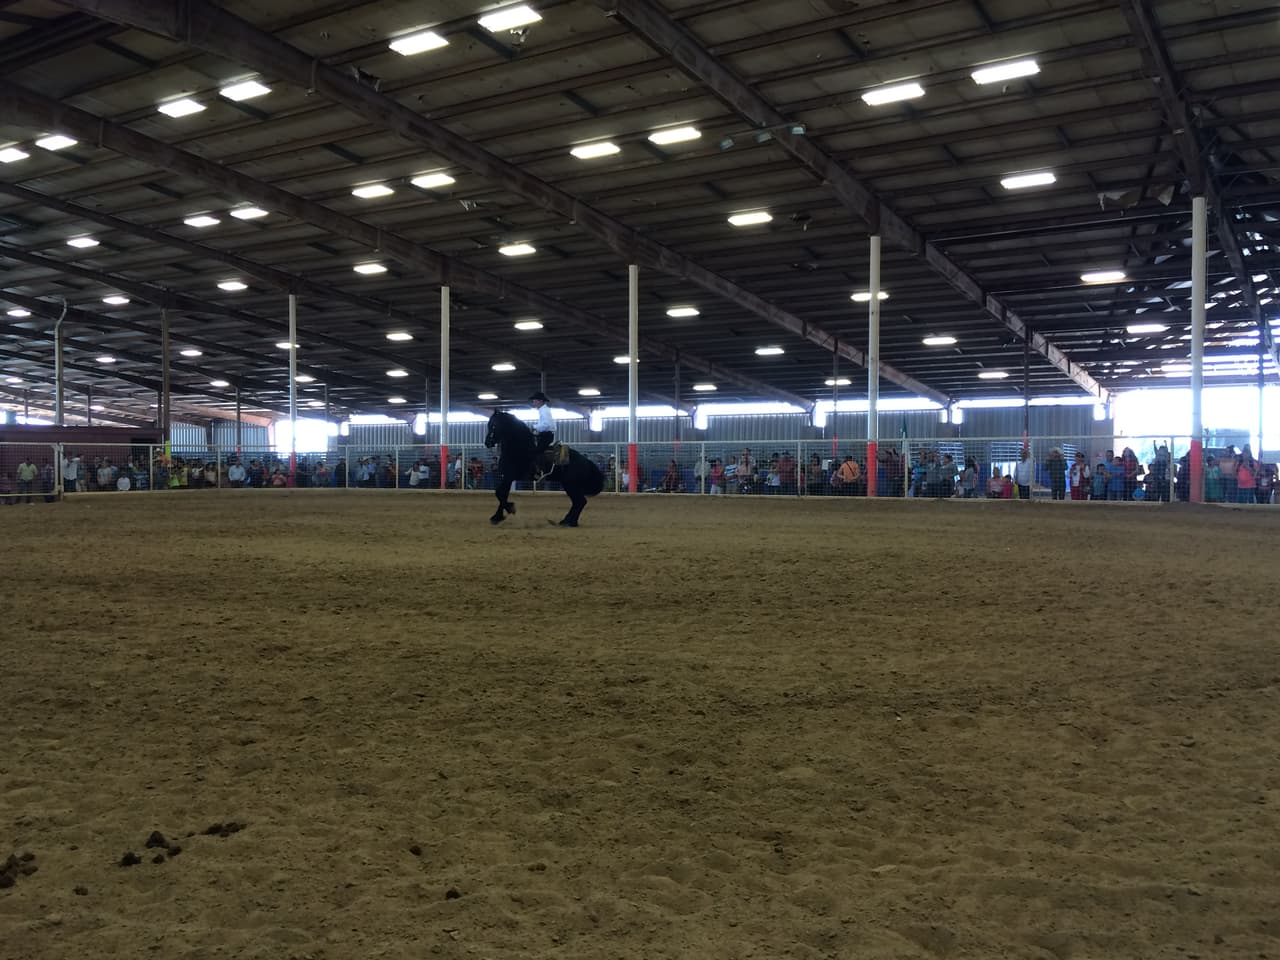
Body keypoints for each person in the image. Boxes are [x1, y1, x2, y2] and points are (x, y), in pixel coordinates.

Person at [529, 391, 557, 467]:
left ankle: (541, 470)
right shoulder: (544, 410)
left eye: (535, 401)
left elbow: (546, 425)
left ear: (540, 401)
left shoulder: (544, 411)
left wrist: (534, 427)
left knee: (537, 452)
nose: (533, 403)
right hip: (546, 435)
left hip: (546, 436)